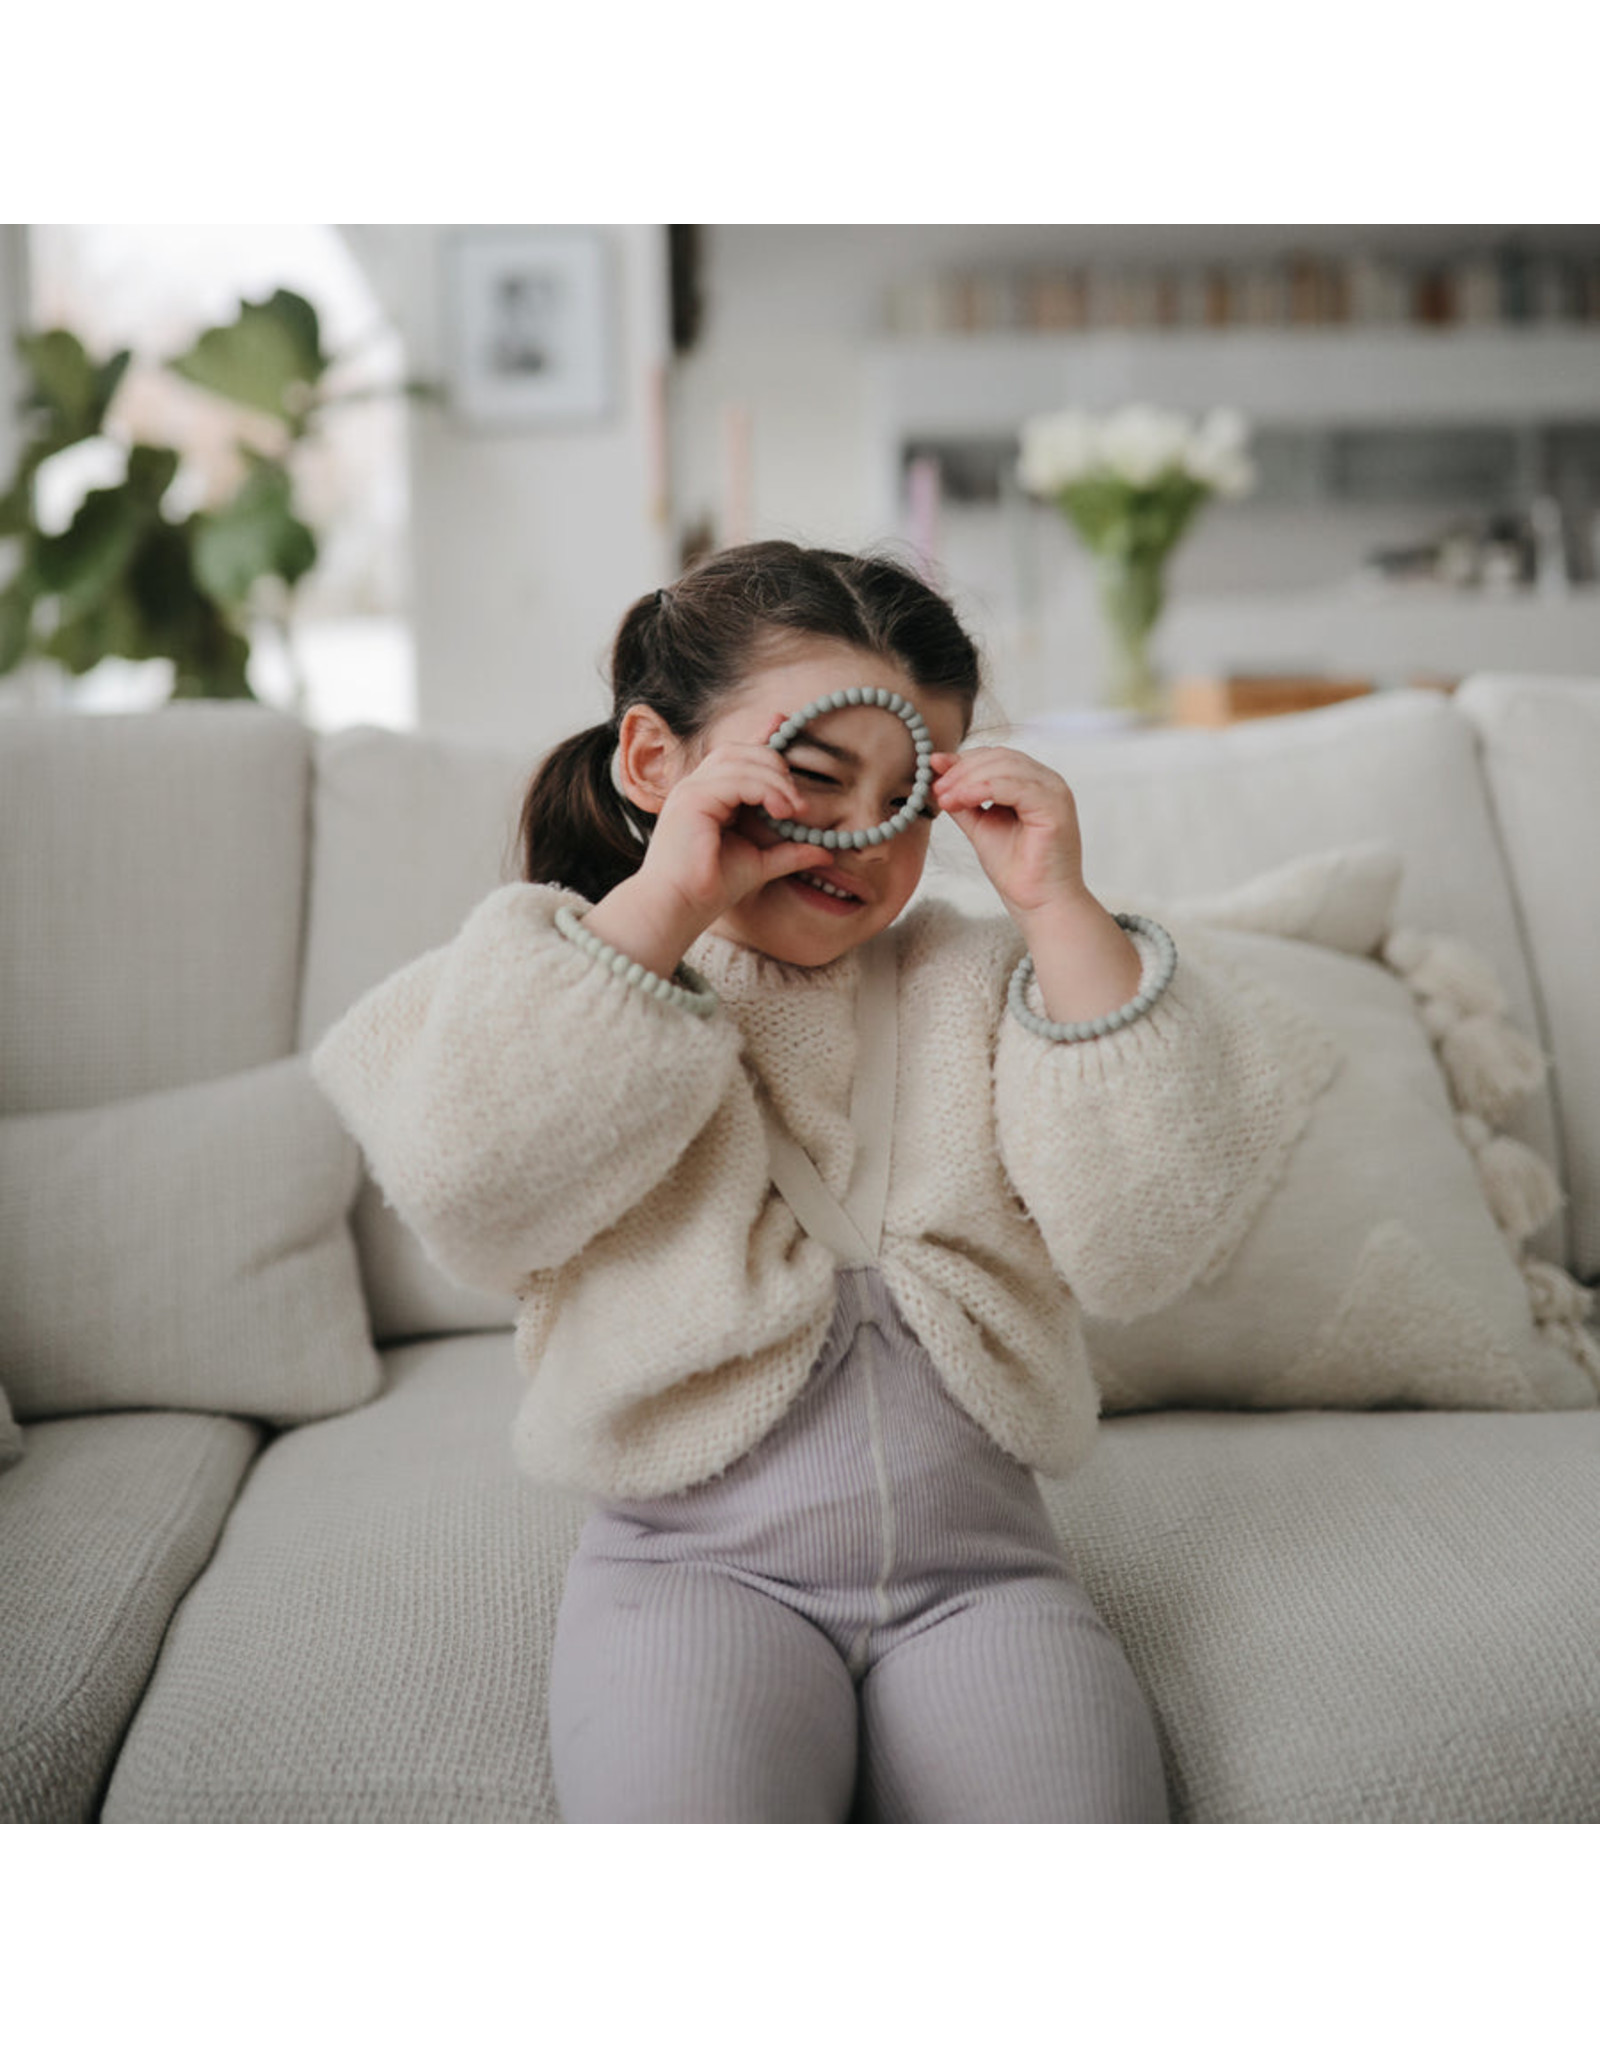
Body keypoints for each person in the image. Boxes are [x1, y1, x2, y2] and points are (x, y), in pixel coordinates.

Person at [312, 539, 1317, 1824]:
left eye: (904, 796)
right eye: (811, 775)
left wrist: (1062, 910)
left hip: (986, 1577)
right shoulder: (561, 979)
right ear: (652, 762)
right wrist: (665, 900)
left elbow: (1146, 1240)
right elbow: (475, 1188)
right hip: (689, 1574)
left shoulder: (980, 980)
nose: (856, 832)